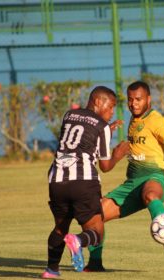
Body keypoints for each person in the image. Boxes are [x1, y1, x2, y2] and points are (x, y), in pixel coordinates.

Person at [85, 81, 164, 272]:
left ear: (148, 99)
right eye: (130, 100)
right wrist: (108, 132)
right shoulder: (133, 120)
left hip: (156, 178)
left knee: (150, 195)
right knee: (94, 217)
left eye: (138, 99)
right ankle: (95, 263)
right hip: (131, 185)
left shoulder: (156, 120)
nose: (133, 104)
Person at [41, 86, 130, 279]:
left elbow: (81, 139)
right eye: (111, 105)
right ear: (98, 101)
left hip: (57, 180)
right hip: (83, 181)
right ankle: (77, 241)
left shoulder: (69, 115)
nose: (112, 111)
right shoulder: (102, 126)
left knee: (59, 227)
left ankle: (51, 270)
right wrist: (118, 154)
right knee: (96, 231)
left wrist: (107, 131)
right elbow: (105, 166)